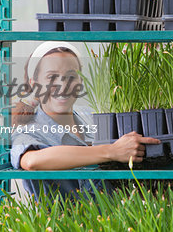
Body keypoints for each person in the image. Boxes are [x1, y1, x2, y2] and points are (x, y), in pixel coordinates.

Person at [10, 41, 160, 200]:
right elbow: (32, 161)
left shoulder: (91, 116)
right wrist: (111, 151)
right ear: (34, 83)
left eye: (71, 76)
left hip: (115, 220)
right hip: (61, 223)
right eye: (51, 77)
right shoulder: (29, 128)